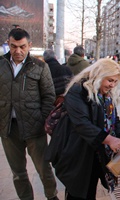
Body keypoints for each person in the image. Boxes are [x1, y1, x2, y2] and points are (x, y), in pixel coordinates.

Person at [53, 58, 120, 199]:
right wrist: (110, 140)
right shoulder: (77, 90)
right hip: (78, 151)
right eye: (110, 80)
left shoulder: (106, 93)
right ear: (99, 76)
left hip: (96, 151)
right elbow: (82, 124)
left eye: (115, 81)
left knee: (90, 189)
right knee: (78, 192)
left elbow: (115, 119)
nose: (113, 85)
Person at [0, 28, 59, 200]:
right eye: (13, 46)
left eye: (22, 46)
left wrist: (42, 119)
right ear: (8, 45)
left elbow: (49, 96)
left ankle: (52, 196)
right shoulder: (1, 65)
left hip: (35, 127)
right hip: (9, 129)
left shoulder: (40, 66)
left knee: (44, 168)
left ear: (29, 46)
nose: (18, 51)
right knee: (18, 172)